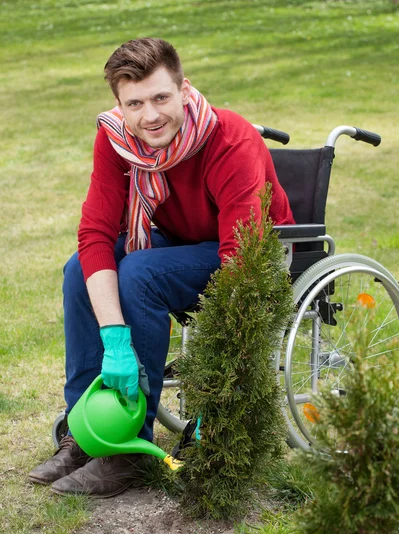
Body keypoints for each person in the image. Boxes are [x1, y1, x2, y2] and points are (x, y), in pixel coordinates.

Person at [28, 37, 295, 497]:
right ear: (120, 104)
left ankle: (130, 451)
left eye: (160, 97)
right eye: (135, 103)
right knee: (80, 270)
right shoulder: (117, 138)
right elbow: (95, 232)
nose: (150, 115)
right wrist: (114, 340)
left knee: (140, 272)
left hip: (250, 255)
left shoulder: (229, 138)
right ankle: (89, 432)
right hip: (181, 244)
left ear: (185, 89)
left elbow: (240, 254)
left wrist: (220, 368)